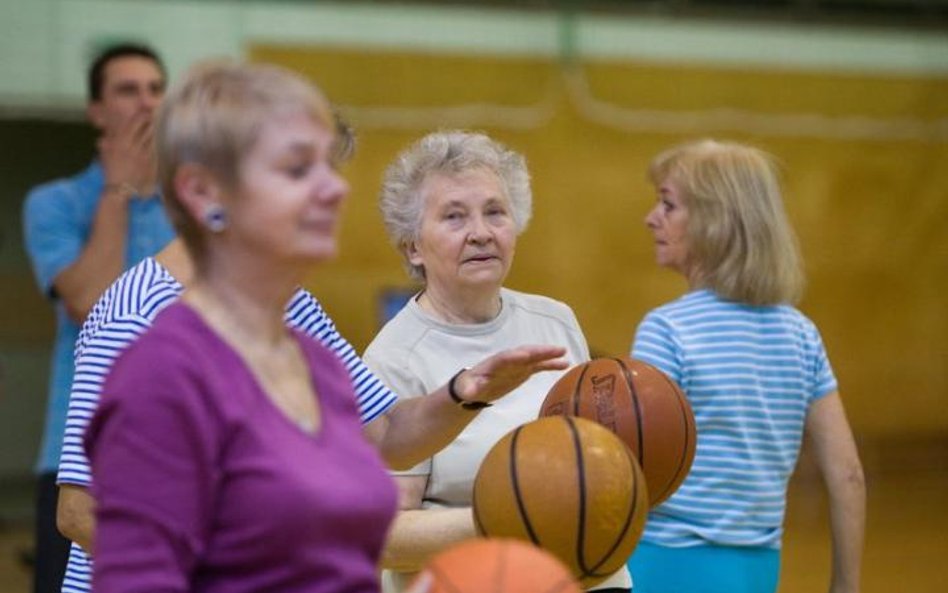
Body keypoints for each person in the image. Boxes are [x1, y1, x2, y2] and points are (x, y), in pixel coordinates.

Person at [81, 61, 567, 593]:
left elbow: (386, 437)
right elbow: (92, 522)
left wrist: (464, 393)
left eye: (328, 169)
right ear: (205, 193)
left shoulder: (303, 331)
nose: (333, 190)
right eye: (296, 170)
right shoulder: (157, 350)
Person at [363, 130, 631, 592]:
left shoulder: (556, 320)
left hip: (584, 577)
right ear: (413, 246)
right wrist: (518, 515)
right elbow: (387, 538)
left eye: (495, 212)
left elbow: (589, 465)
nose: (481, 232)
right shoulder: (393, 357)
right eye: (454, 216)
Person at [625, 139, 865, 593]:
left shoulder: (667, 330)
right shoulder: (802, 335)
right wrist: (846, 585)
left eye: (668, 204)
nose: (651, 217)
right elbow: (848, 473)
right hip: (758, 572)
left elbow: (630, 472)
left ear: (714, 222)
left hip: (662, 566)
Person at [21, 42, 175, 593]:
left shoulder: (190, 208)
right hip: (76, 462)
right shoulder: (54, 203)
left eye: (156, 90)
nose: (146, 103)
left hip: (171, 452)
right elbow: (88, 302)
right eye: (127, 90)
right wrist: (119, 189)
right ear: (95, 111)